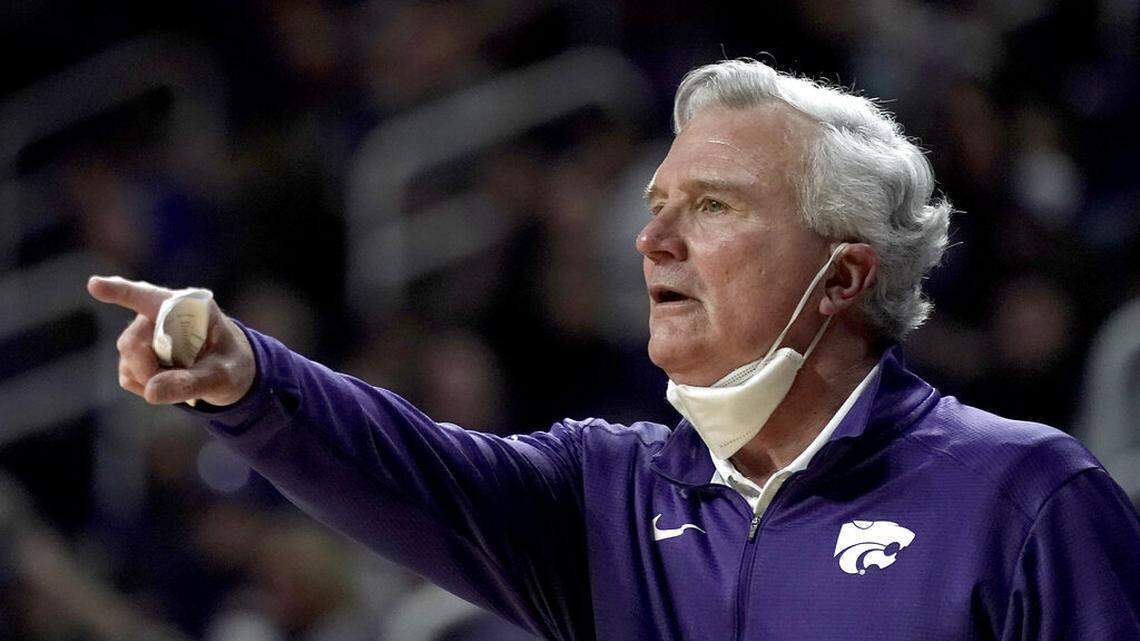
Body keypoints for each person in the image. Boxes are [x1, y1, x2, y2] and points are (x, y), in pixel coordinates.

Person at [88, 59, 1140, 640]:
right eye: (657, 205)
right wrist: (248, 378)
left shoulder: (1024, 497)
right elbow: (410, 467)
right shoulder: (612, 494)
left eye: (712, 206)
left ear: (844, 273)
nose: (651, 240)